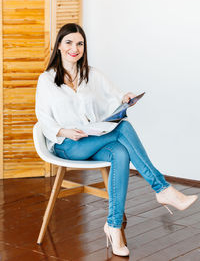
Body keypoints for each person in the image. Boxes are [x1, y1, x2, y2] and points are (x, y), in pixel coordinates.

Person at [35, 23, 198, 257]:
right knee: (123, 129)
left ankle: (113, 227)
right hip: (67, 145)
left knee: (120, 153)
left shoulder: (91, 74)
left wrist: (125, 98)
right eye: (69, 42)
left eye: (80, 43)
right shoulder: (46, 80)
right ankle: (162, 188)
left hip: (91, 138)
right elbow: (42, 116)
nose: (75, 48)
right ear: (59, 46)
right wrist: (63, 132)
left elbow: (115, 94)